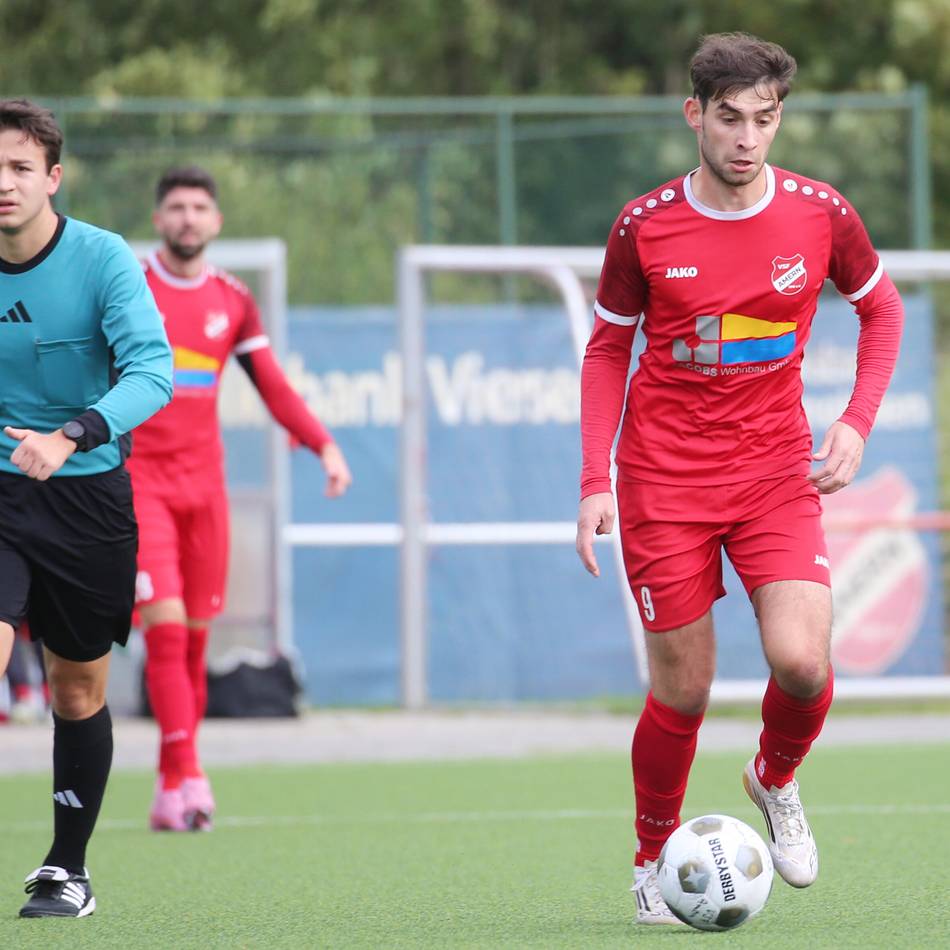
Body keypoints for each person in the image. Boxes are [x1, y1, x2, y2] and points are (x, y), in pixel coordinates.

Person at [575, 33, 903, 925]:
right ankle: (651, 859)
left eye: (764, 119)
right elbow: (606, 350)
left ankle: (774, 777)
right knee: (683, 690)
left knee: (803, 663)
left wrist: (856, 421)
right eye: (729, 118)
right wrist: (595, 479)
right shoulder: (644, 226)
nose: (747, 138)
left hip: (772, 475)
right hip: (663, 482)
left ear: (779, 119)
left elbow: (881, 309)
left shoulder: (820, 213)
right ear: (696, 115)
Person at [130, 165, 352, 832]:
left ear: (216, 221)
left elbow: (271, 384)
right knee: (166, 632)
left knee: (195, 645)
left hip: (206, 489)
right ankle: (191, 776)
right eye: (176, 207)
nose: (188, 218)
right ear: (158, 220)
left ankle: (171, 784)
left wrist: (323, 444)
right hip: (139, 482)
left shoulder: (232, 299)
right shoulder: (130, 286)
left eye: (199, 208)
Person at [0, 99, 173, 918]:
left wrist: (71, 436)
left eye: (18, 168)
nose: (3, 184)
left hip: (87, 496)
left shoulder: (104, 259)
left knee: (75, 692)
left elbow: (153, 372)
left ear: (53, 178)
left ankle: (67, 870)